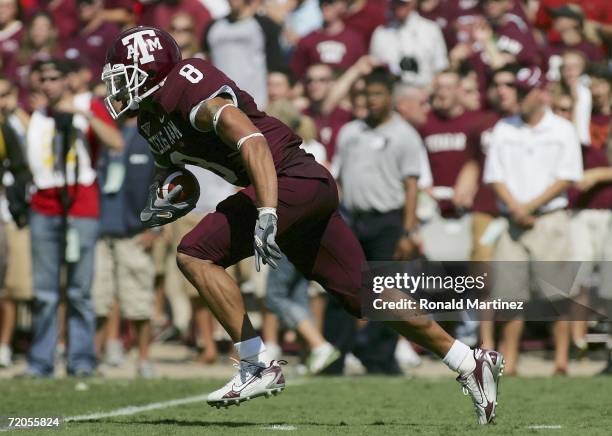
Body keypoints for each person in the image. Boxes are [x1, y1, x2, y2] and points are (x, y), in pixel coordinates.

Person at [101, 26, 504, 424]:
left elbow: (252, 141)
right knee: (361, 294)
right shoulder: (151, 120)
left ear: (150, 70)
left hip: (287, 179)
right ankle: (468, 360)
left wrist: (268, 210)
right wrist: (166, 195)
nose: (117, 90)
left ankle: (254, 364)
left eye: (123, 78)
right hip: (305, 186)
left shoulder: (188, 86)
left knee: (194, 253)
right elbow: (175, 173)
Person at [25, 59, 123, 377]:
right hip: (43, 205)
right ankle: (40, 362)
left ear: (67, 81)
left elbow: (115, 142)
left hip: (82, 206)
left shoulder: (88, 106)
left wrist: (82, 114)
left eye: (55, 78)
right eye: (44, 78)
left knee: (80, 290)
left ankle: (81, 360)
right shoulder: (36, 115)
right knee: (45, 293)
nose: (49, 84)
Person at [483, 66, 583, 375]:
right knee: (510, 296)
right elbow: (494, 175)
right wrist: (517, 209)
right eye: (519, 91)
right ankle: (510, 360)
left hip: (549, 219)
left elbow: (567, 176)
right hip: (514, 221)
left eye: (525, 92)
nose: (519, 97)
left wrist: (528, 206)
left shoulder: (562, 129)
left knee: (558, 295)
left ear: (541, 94)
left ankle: (561, 361)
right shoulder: (504, 128)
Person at [329, 67, 423, 374]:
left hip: (388, 222)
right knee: (342, 288)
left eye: (377, 94)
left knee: (386, 292)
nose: (370, 101)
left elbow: (412, 187)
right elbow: (338, 177)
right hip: (352, 219)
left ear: (390, 98)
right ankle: (333, 357)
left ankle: (379, 358)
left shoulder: (405, 135)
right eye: (366, 95)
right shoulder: (350, 132)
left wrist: (408, 230)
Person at [91, 116, 157, 378]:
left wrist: (156, 226)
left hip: (135, 229)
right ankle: (94, 359)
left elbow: (163, 180)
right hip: (100, 227)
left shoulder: (150, 134)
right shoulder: (101, 134)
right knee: (98, 298)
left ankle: (144, 359)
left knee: (138, 299)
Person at [202, 0, 284, 108]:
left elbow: (275, 65)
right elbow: (204, 62)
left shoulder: (265, 25)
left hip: (257, 103)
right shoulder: (212, 27)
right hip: (221, 104)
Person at [369, 0, 448, 87]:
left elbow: (441, 67)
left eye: (403, 3)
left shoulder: (431, 29)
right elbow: (374, 70)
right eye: (396, 2)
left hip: (425, 91)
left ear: (414, 2)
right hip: (392, 93)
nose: (399, 5)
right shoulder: (381, 33)